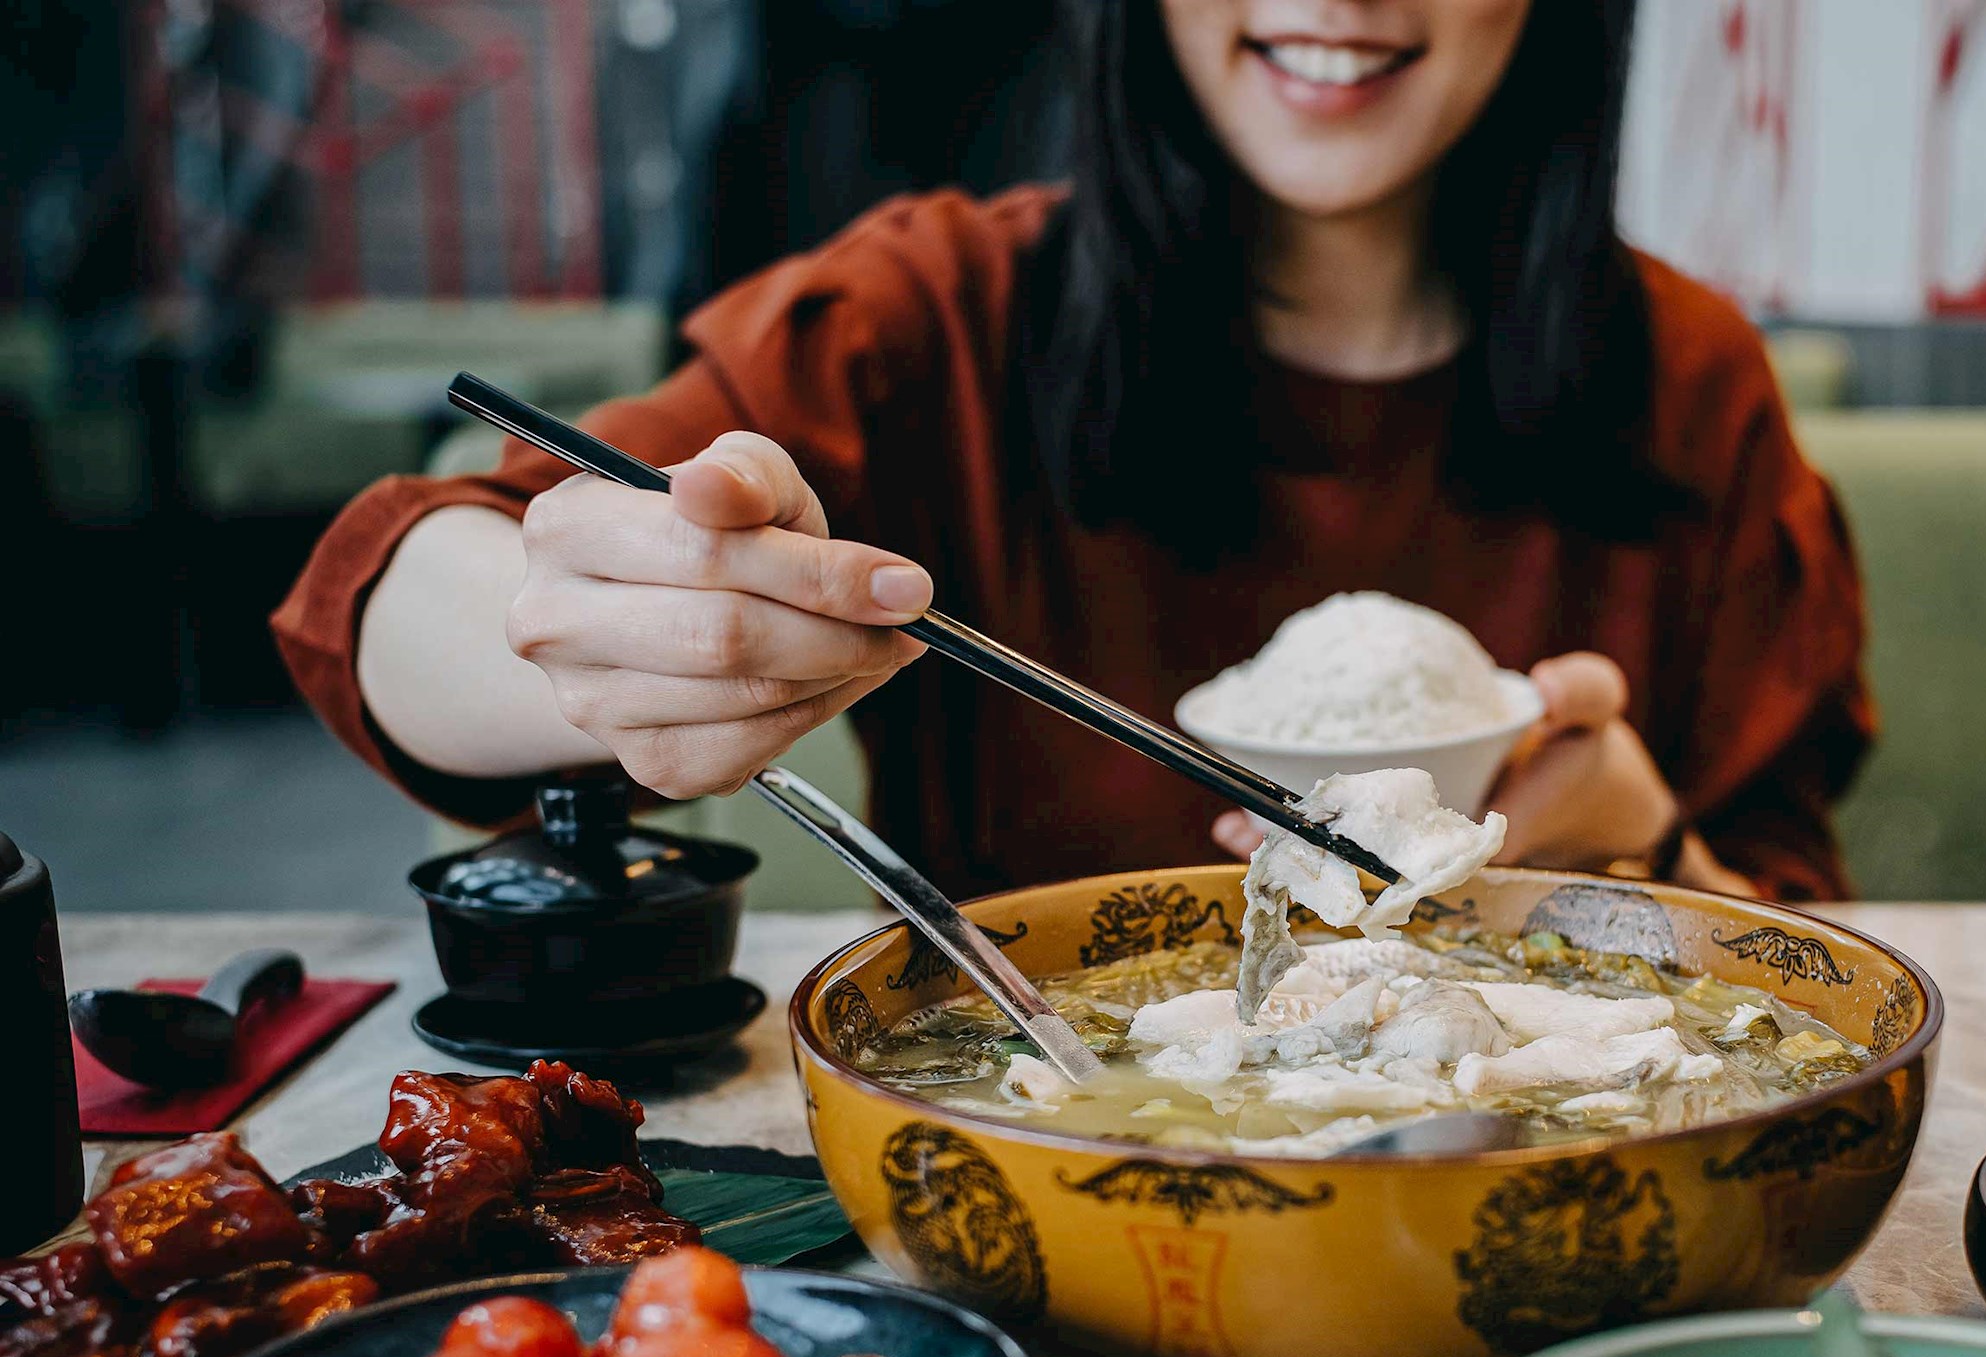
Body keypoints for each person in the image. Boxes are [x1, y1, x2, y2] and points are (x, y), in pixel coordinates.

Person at [276, 0, 1873, 900]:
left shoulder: (1683, 379)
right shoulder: (945, 313)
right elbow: (384, 593)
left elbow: (1812, 955)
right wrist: (614, 622)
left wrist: (1643, 847)